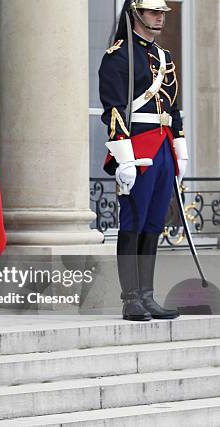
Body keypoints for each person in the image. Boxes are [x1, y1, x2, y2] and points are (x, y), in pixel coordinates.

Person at [99, 0, 185, 321]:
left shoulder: (165, 58)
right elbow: (113, 110)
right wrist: (124, 156)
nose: (159, 16)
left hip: (163, 148)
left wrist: (181, 148)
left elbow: (172, 109)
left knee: (154, 224)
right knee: (133, 223)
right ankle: (131, 298)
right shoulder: (118, 55)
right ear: (136, 13)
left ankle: (148, 296)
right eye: (153, 12)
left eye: (162, 12)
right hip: (137, 148)